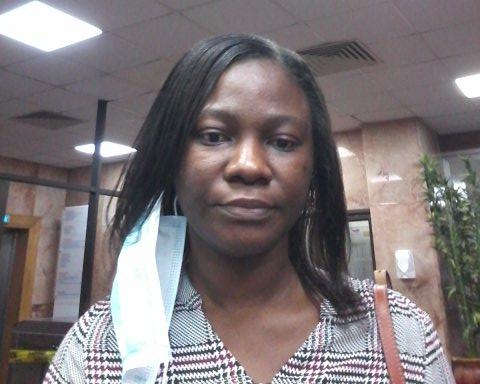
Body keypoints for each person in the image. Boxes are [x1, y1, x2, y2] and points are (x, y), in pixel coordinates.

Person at [44, 34, 454, 384]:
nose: (249, 166)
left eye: (282, 142)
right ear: (171, 159)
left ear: (315, 171)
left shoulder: (401, 334)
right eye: (213, 135)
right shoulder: (97, 347)